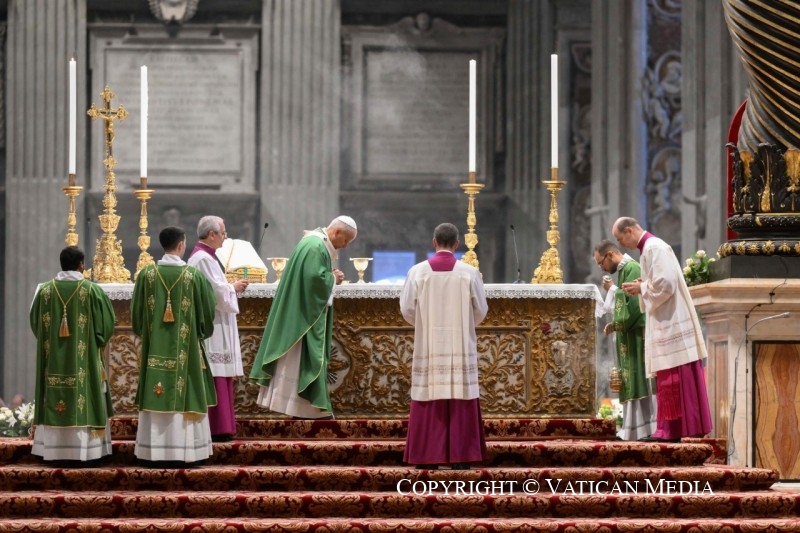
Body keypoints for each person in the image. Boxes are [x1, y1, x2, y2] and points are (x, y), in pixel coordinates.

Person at [611, 217, 712, 442]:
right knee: (668, 377)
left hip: (671, 321)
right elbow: (660, 281)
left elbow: (666, 284)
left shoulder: (654, 247)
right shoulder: (649, 248)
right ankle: (669, 430)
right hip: (665, 319)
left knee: (673, 377)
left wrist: (641, 287)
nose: (621, 244)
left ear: (629, 231)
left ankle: (672, 430)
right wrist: (643, 284)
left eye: (620, 239)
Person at [400, 223, 489, 469]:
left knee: (428, 393)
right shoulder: (469, 273)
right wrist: (464, 324)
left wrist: (425, 323)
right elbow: (481, 310)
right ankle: (462, 457)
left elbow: (407, 309)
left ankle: (426, 457)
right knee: (461, 392)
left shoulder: (417, 272)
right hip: (460, 343)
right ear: (457, 244)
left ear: (434, 242)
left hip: (429, 343)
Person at [249, 216, 357, 419]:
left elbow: (313, 276)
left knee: (296, 362)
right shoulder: (316, 246)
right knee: (302, 360)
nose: (345, 246)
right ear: (337, 232)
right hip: (303, 318)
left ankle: (300, 408)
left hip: (300, 312)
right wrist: (333, 278)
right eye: (346, 240)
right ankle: (305, 409)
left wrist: (330, 275)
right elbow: (314, 281)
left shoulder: (315, 242)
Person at [131, 226, 218, 464]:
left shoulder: (146, 276)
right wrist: (200, 333)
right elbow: (207, 313)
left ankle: (152, 451)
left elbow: (137, 317)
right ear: (181, 245)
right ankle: (187, 452)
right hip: (187, 353)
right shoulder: (193, 277)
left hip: (154, 350)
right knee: (187, 391)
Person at [29, 246, 116, 462]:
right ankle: (87, 452)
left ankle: (53, 450)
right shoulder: (92, 291)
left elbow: (36, 325)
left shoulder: (45, 291)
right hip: (85, 362)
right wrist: (95, 342)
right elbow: (106, 327)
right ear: (81, 265)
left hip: (53, 361)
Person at [187, 216, 250, 442]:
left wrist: (230, 287)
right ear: (211, 234)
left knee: (220, 372)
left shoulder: (207, 257)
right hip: (212, 325)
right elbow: (216, 293)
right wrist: (234, 287)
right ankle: (218, 427)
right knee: (216, 373)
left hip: (216, 322)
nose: (225, 237)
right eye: (223, 233)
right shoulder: (202, 258)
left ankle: (223, 426)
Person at [593, 239, 656, 440]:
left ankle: (643, 429)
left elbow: (635, 305)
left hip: (636, 336)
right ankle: (632, 428)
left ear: (610, 255)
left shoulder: (632, 268)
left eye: (601, 263)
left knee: (637, 378)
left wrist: (613, 290)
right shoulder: (623, 271)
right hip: (628, 335)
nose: (602, 268)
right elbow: (625, 301)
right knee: (630, 380)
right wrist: (615, 323)